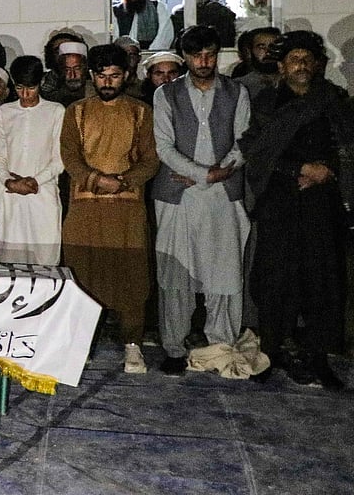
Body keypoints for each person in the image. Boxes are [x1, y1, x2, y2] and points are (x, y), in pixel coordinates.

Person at [239, 31, 351, 389]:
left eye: (306, 59)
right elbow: (256, 150)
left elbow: (348, 146)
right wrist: (298, 169)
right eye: (294, 60)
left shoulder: (335, 101)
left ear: (317, 64)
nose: (300, 66)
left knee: (322, 282)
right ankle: (269, 353)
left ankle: (317, 358)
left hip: (323, 205)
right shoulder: (267, 103)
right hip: (280, 204)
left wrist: (326, 170)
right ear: (283, 66)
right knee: (275, 281)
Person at [150, 25, 250, 376]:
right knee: (175, 273)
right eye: (196, 56)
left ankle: (220, 342)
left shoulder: (237, 92)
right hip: (178, 196)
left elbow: (243, 141)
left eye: (210, 54)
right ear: (185, 57)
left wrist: (219, 173)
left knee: (224, 271)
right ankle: (175, 347)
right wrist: (202, 174)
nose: (204, 62)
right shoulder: (166, 94)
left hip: (224, 194)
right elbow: (163, 146)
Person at [60, 44, 159, 374]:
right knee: (83, 274)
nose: (107, 82)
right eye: (101, 76)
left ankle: (132, 345)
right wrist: (94, 179)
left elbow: (150, 160)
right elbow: (70, 157)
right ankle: (82, 343)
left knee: (131, 276)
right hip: (85, 207)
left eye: (114, 76)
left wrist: (125, 181)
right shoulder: (76, 111)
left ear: (126, 76)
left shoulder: (141, 112)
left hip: (127, 207)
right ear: (92, 76)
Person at [0, 56, 65, 265]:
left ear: (41, 82)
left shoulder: (55, 110)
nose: (25, 94)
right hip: (9, 195)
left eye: (30, 88)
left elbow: (59, 160)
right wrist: (9, 181)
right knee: (8, 257)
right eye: (19, 88)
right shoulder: (4, 112)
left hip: (42, 193)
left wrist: (34, 181)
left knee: (44, 258)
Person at [234, 26, 282, 102]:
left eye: (273, 47)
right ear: (249, 52)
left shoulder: (292, 81)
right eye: (261, 47)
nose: (268, 51)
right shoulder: (238, 87)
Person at [42, 39, 91, 107]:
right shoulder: (50, 98)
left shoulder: (96, 93)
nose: (72, 75)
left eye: (77, 69)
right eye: (67, 70)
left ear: (86, 67)